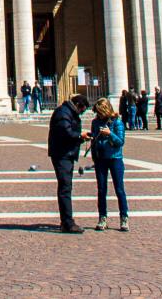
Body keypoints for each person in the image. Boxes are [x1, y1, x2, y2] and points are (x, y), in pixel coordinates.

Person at [47, 92, 89, 234]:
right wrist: (79, 136)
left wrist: (80, 137)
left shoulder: (66, 112)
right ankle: (67, 222)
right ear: (77, 105)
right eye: (82, 110)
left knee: (66, 186)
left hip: (65, 153)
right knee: (65, 187)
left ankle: (66, 220)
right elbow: (65, 133)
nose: (82, 113)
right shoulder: (63, 113)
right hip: (62, 154)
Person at [90, 97, 128, 232]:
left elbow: (120, 141)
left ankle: (124, 217)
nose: (97, 115)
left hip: (115, 158)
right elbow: (94, 140)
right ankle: (102, 217)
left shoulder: (117, 122)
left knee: (119, 189)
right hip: (100, 159)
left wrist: (110, 133)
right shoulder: (95, 122)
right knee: (101, 190)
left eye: (100, 112)